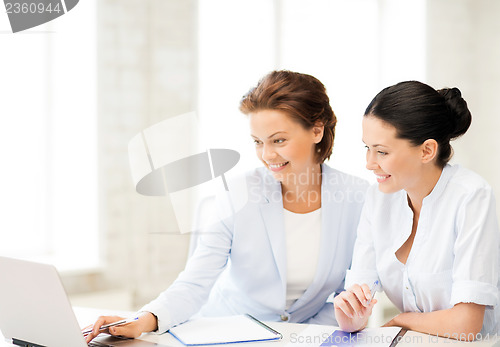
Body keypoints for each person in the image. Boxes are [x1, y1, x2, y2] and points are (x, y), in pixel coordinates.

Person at [85, 70, 369, 342]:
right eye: (258, 142)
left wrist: (304, 337)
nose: (267, 155)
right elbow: (195, 282)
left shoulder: (357, 197)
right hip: (226, 335)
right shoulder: (238, 193)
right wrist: (144, 319)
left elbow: (351, 294)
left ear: (317, 130)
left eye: (279, 140)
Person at [333, 80, 500, 341]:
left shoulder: (471, 196)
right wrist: (351, 317)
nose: (369, 163)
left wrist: (402, 320)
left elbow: (466, 323)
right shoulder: (378, 198)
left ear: (427, 150)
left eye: (382, 152)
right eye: (367, 148)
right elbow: (358, 299)